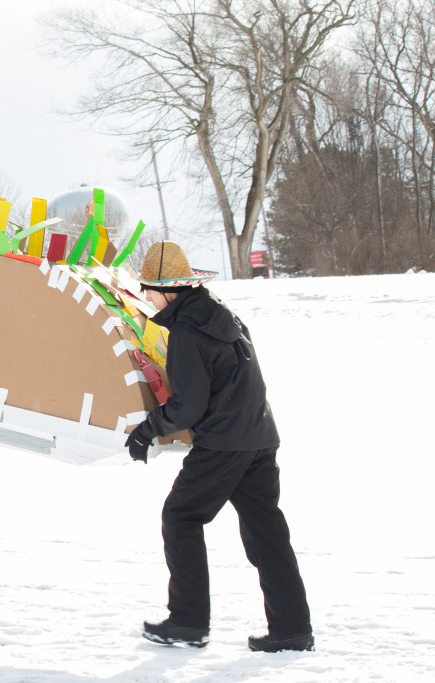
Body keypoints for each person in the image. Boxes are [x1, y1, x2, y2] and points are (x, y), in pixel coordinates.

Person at [125, 241, 312, 652]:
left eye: (150, 288)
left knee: (180, 516)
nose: (146, 296)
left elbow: (187, 406)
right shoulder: (222, 315)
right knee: (266, 532)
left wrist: (146, 430)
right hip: (259, 435)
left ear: (170, 290)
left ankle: (188, 622)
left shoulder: (189, 331)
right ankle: (293, 628)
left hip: (226, 442)